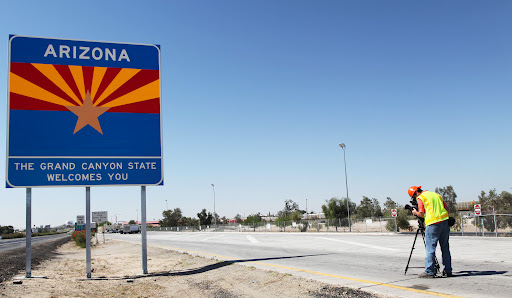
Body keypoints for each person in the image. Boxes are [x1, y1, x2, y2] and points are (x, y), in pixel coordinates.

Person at [408, 186, 453, 278]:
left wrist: (415, 212)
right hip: (444, 223)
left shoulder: (421, 198)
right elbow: (446, 208)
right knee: (445, 248)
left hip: (433, 225)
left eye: (413, 197)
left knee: (430, 249)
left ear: (415, 193)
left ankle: (429, 271)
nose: (415, 199)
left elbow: (421, 214)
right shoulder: (436, 195)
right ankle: (448, 270)